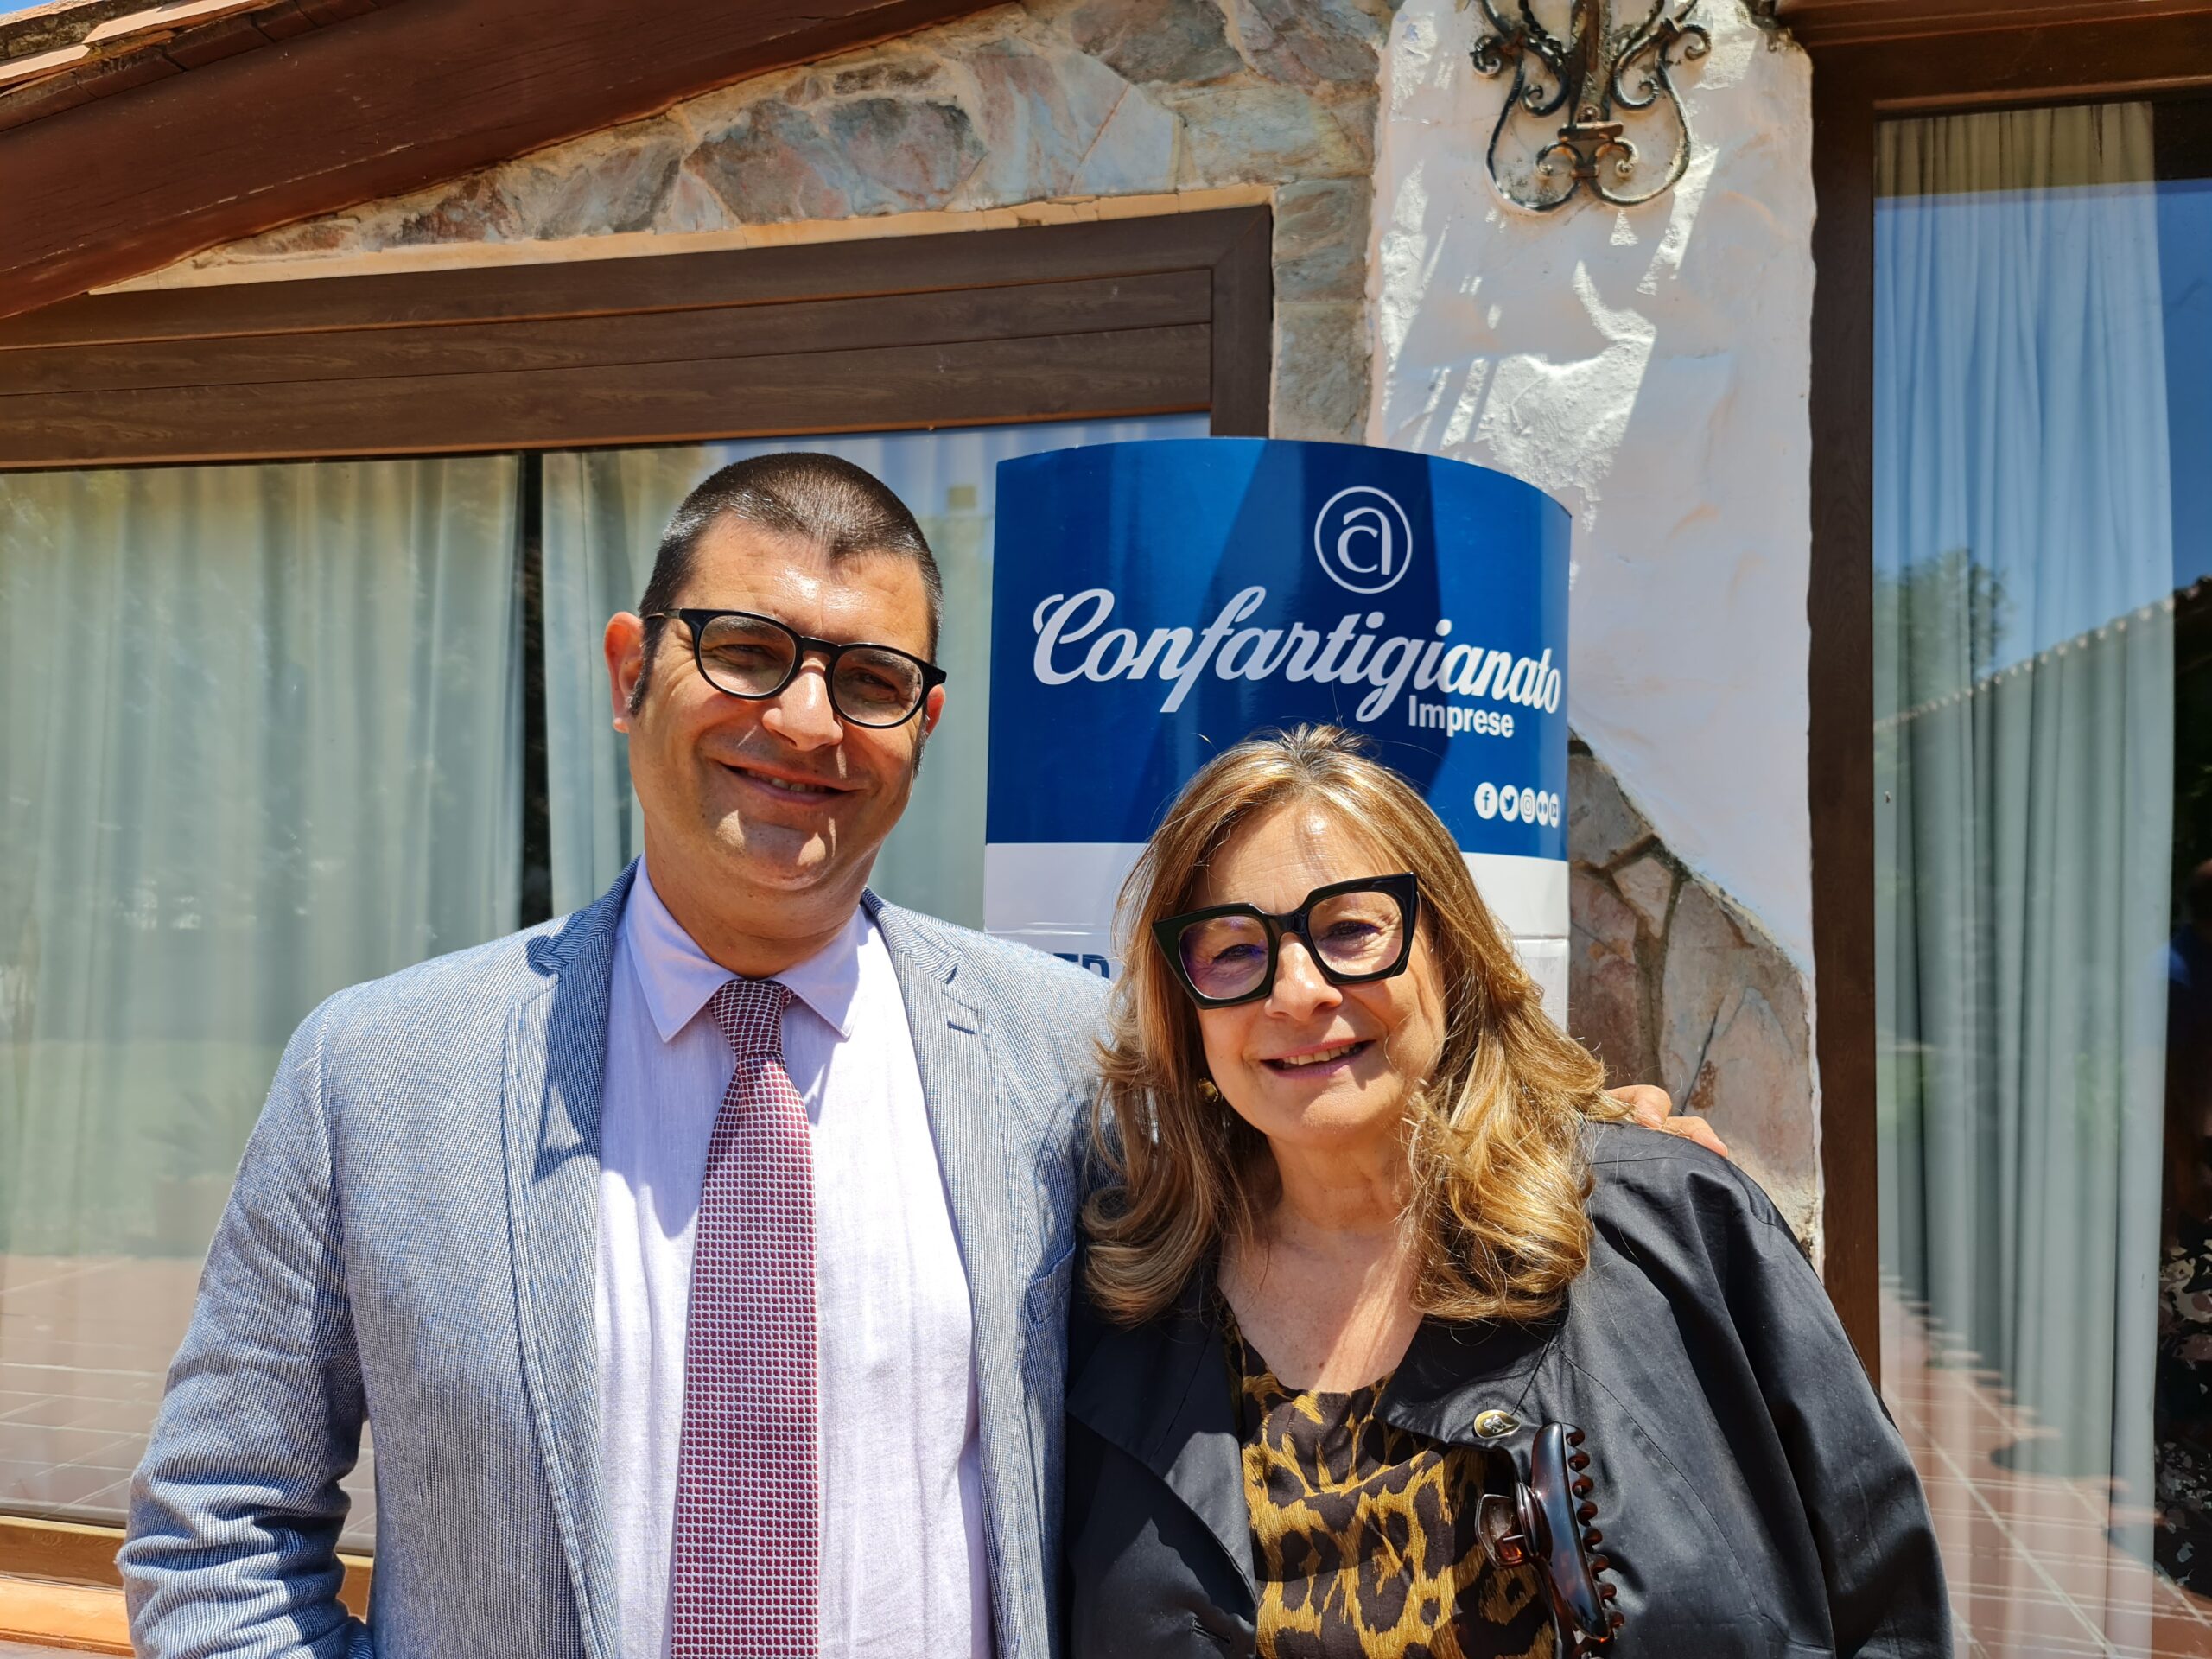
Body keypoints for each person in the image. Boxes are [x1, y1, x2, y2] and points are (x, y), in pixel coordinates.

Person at [121, 454, 1711, 1658]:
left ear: (923, 727)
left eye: (872, 681)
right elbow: (216, 1537)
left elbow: (1320, 1161)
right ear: (627, 670)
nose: (809, 723)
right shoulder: (377, 1074)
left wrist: (1587, 1144)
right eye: (747, 650)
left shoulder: (1070, 1058)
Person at [1063, 726, 1948, 1658]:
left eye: (1350, 930)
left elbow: (1884, 1605)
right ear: (1186, 1009)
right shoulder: (1129, 1312)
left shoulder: (1671, 1228)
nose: (1296, 991)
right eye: (1233, 950)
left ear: (1448, 951)